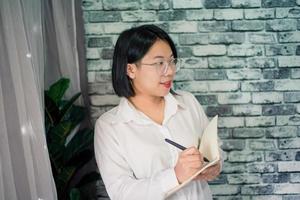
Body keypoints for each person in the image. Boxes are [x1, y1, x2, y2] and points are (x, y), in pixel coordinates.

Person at [94, 24, 223, 200]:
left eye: (172, 61)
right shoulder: (109, 126)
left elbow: (214, 149)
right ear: (130, 69)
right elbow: (121, 193)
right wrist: (175, 175)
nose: (169, 71)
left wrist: (215, 165)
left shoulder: (188, 102)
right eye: (159, 63)